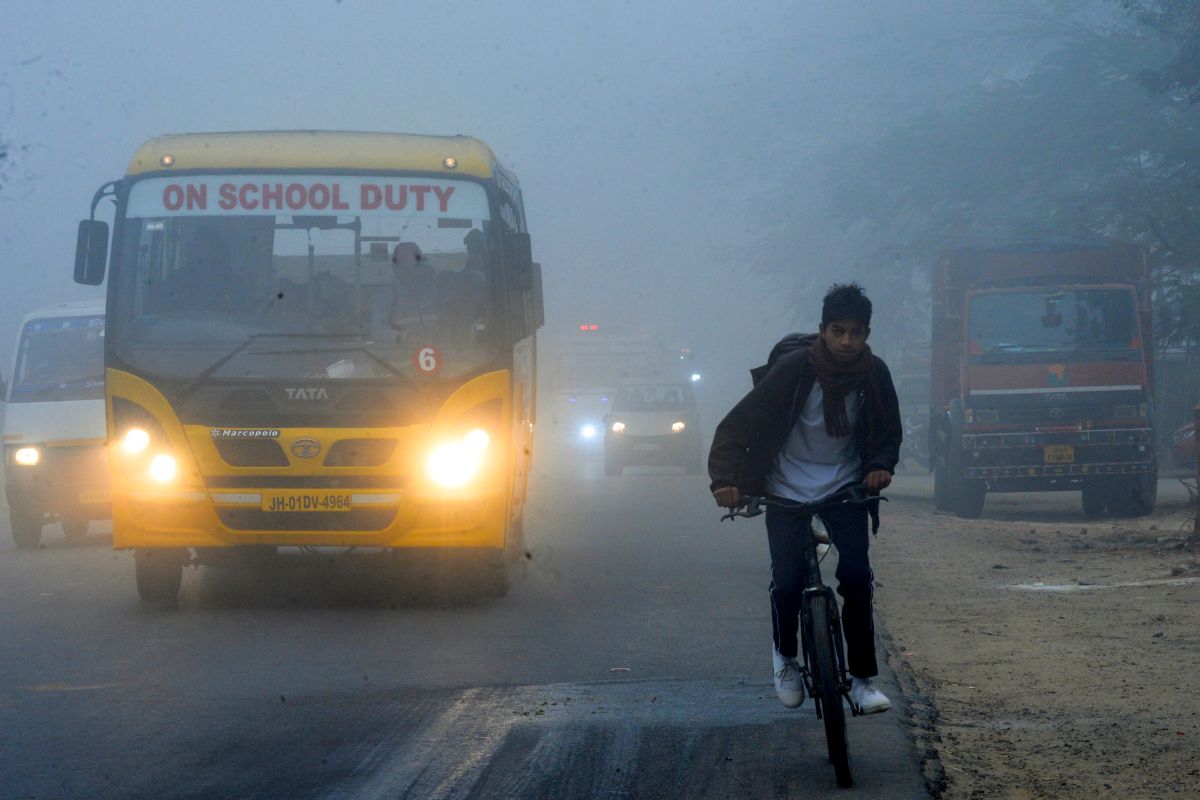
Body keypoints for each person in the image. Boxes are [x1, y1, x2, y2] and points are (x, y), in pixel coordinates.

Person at [708, 282, 902, 714]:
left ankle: (864, 681)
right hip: (785, 488)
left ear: (867, 334)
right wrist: (725, 479)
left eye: (856, 332)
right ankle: (786, 659)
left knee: (855, 577)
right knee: (789, 579)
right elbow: (738, 425)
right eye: (838, 331)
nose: (847, 341)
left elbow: (889, 432)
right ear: (822, 330)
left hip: (845, 487)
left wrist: (880, 465)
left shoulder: (875, 373)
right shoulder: (795, 370)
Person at [371, 241, 437, 341]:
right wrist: (404, 338)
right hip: (399, 352)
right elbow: (377, 330)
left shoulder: (435, 290)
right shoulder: (386, 294)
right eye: (406, 262)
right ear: (396, 267)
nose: (411, 267)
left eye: (416, 262)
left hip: (444, 350)